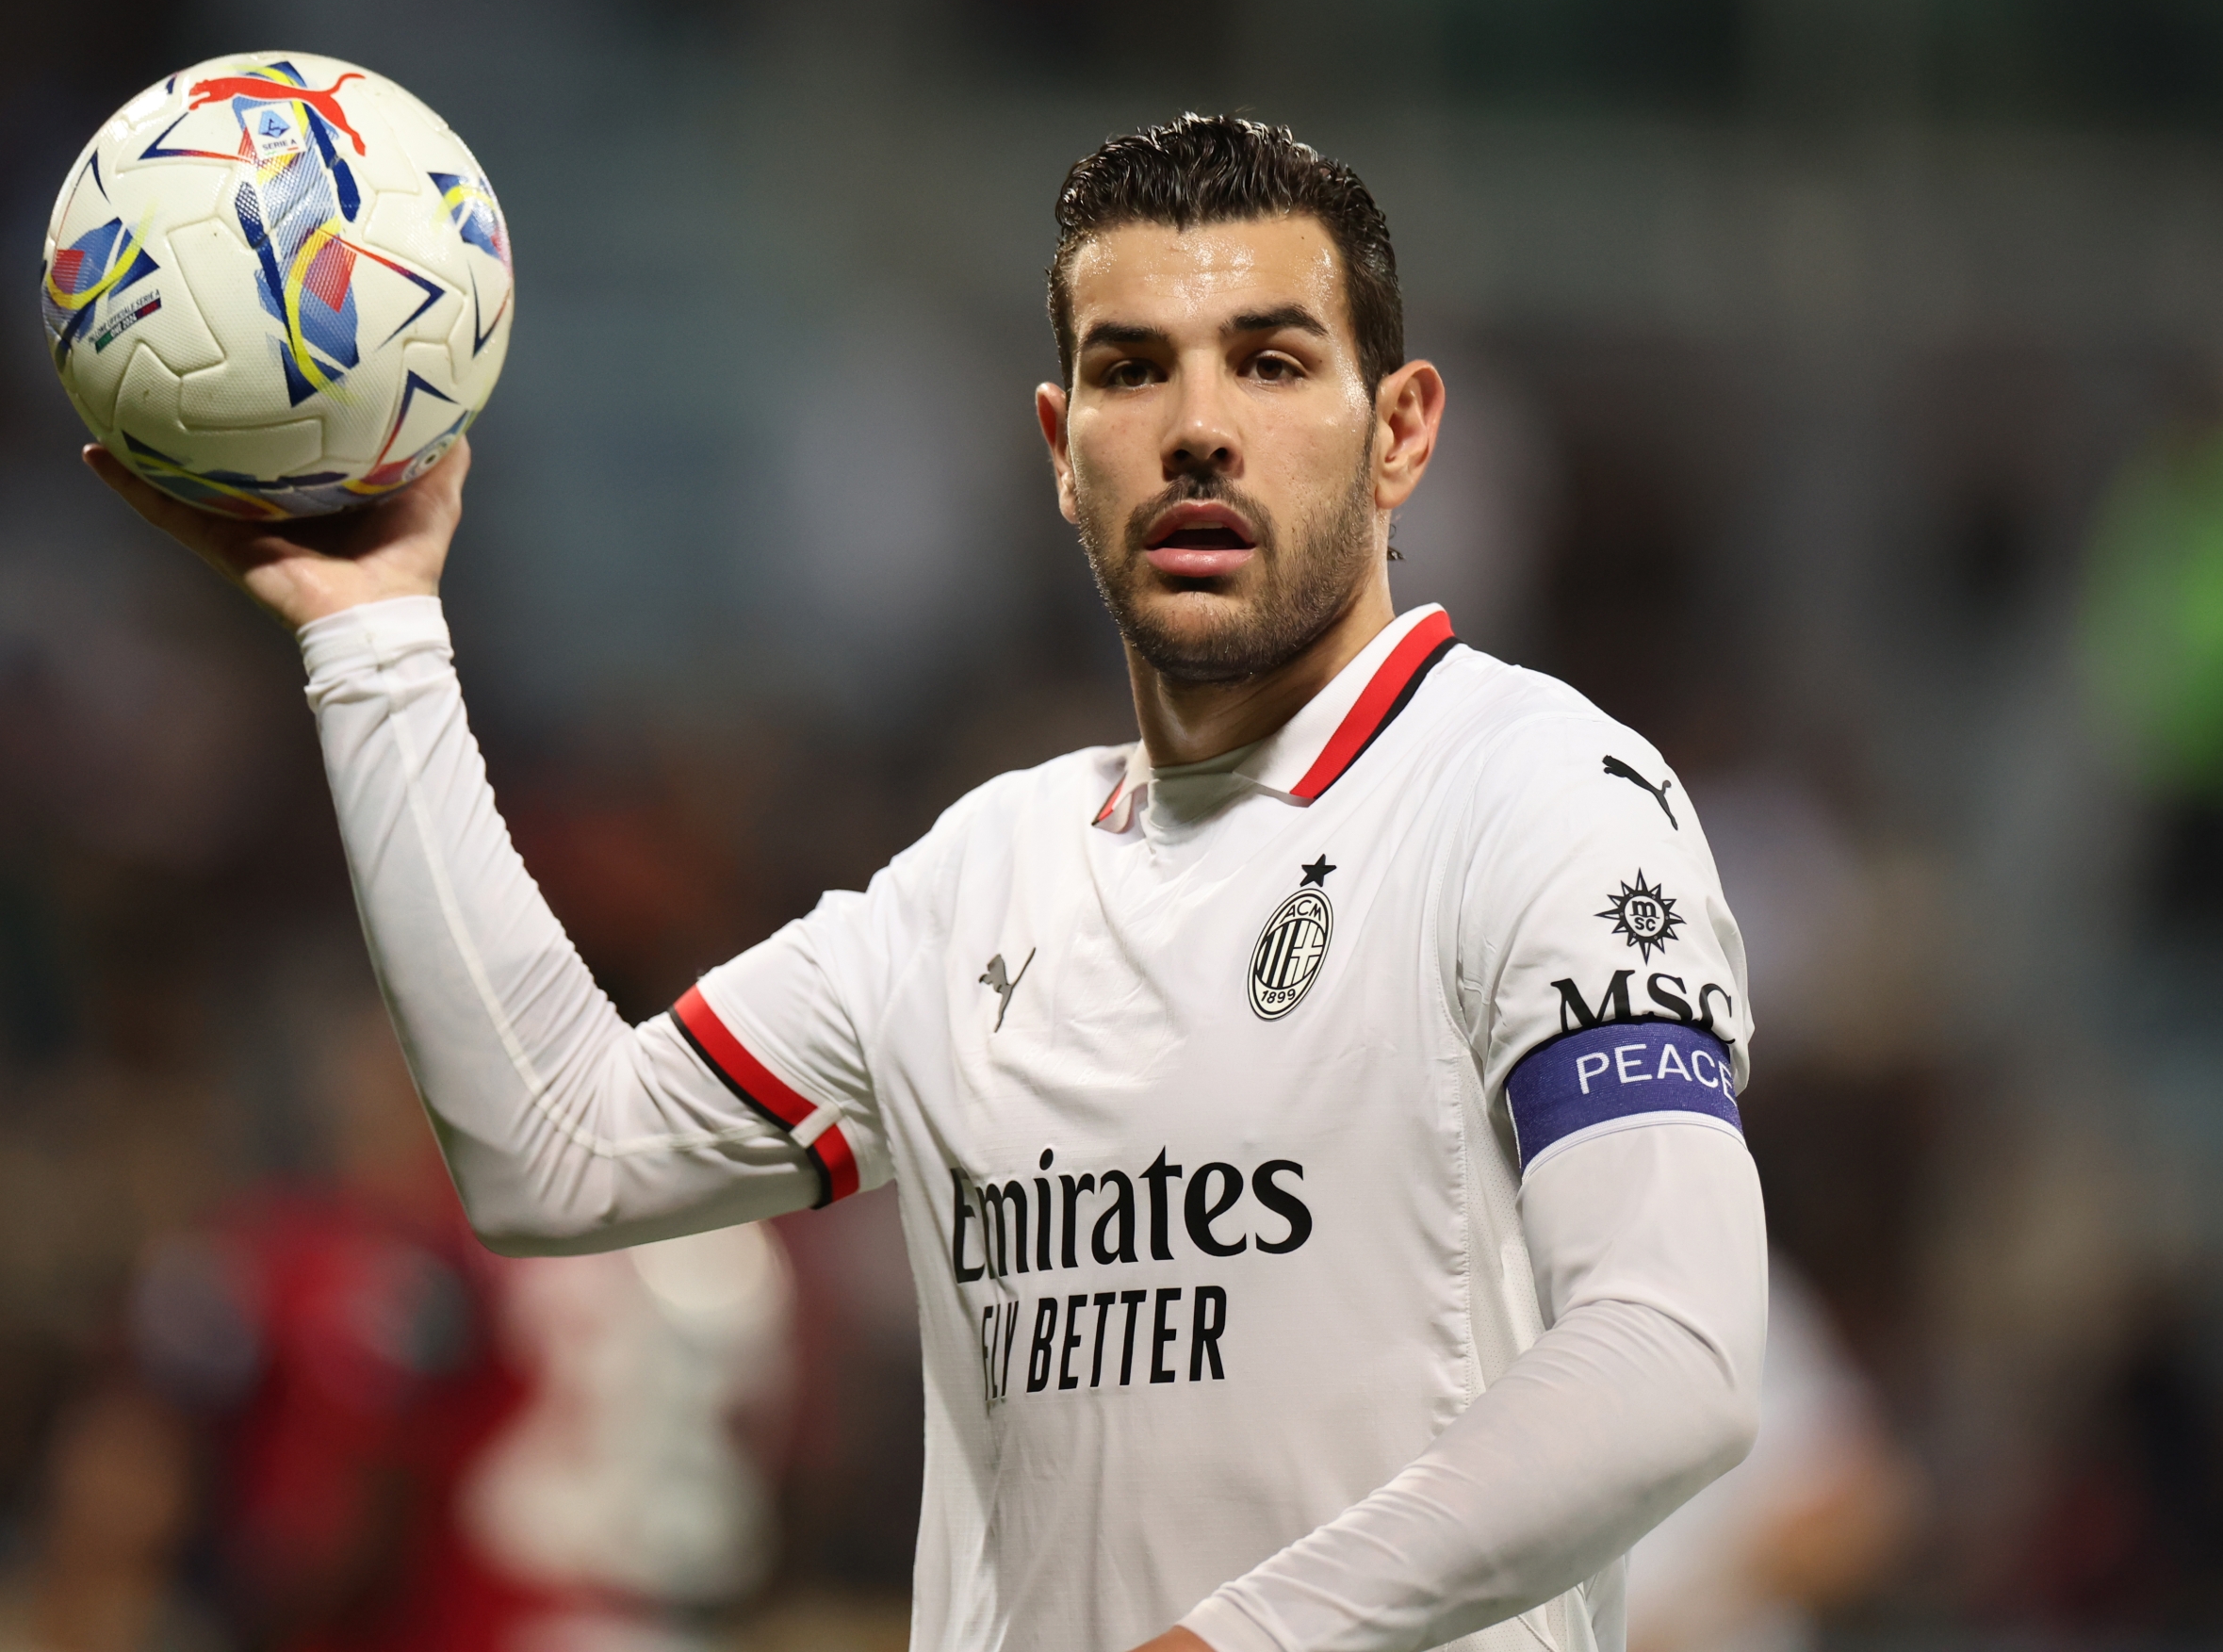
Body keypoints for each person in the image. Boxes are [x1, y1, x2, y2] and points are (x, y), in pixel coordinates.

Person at [85, 115, 1768, 1652]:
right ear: (1057, 444)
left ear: (1399, 433)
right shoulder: (983, 879)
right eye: (1129, 371)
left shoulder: (1540, 796)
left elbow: (1671, 1363)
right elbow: (555, 1153)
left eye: (1269, 363)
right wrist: (374, 637)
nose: (1196, 430)